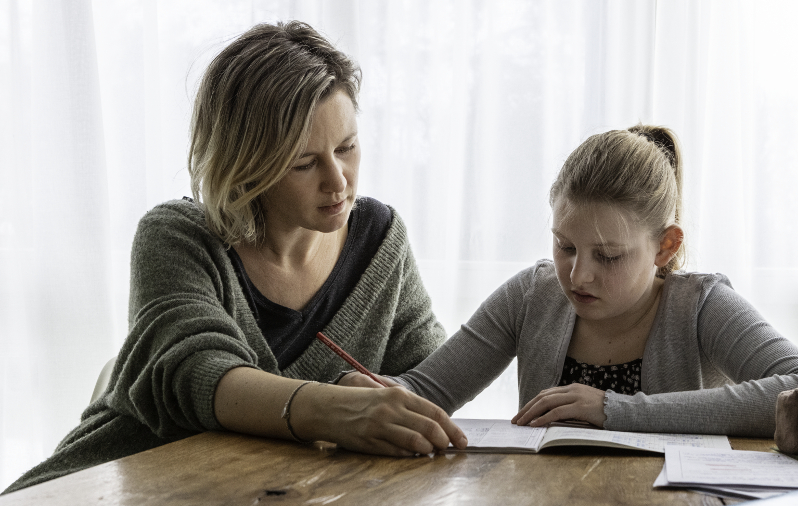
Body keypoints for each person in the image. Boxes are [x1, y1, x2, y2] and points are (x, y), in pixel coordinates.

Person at [4, 21, 464, 494]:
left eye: (347, 148)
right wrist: (332, 408)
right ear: (247, 163)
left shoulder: (380, 239)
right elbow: (193, 372)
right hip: (108, 483)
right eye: (303, 163)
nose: (338, 180)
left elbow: (432, 379)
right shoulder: (177, 237)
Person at [379, 125, 798, 436]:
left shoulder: (700, 305)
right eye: (565, 246)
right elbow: (427, 390)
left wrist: (613, 409)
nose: (578, 276)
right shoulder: (531, 294)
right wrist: (366, 395)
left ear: (666, 247)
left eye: (609, 256)